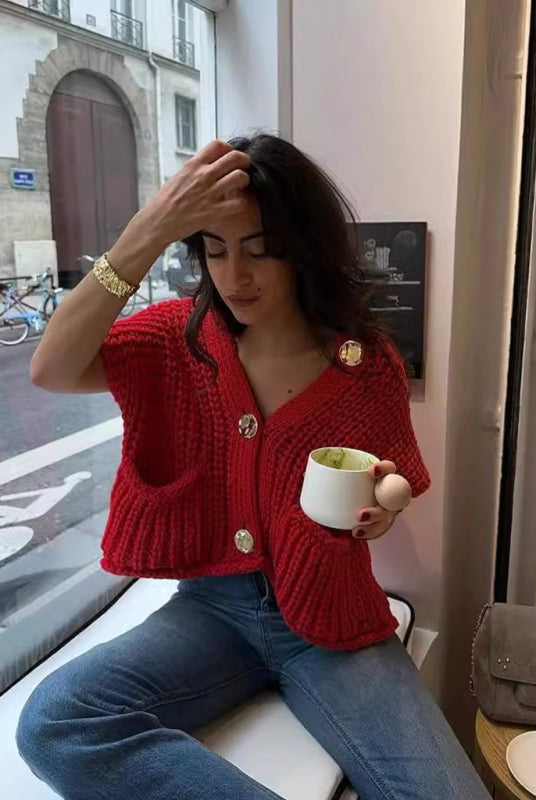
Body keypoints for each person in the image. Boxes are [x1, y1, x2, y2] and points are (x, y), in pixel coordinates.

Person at [16, 135, 490, 800]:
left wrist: (385, 506)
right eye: (214, 250)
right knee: (57, 722)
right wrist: (148, 230)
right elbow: (52, 368)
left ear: (303, 248)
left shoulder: (365, 363)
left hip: (332, 617)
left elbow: (393, 477)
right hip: (211, 611)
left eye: (260, 250)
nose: (234, 275)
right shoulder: (173, 339)